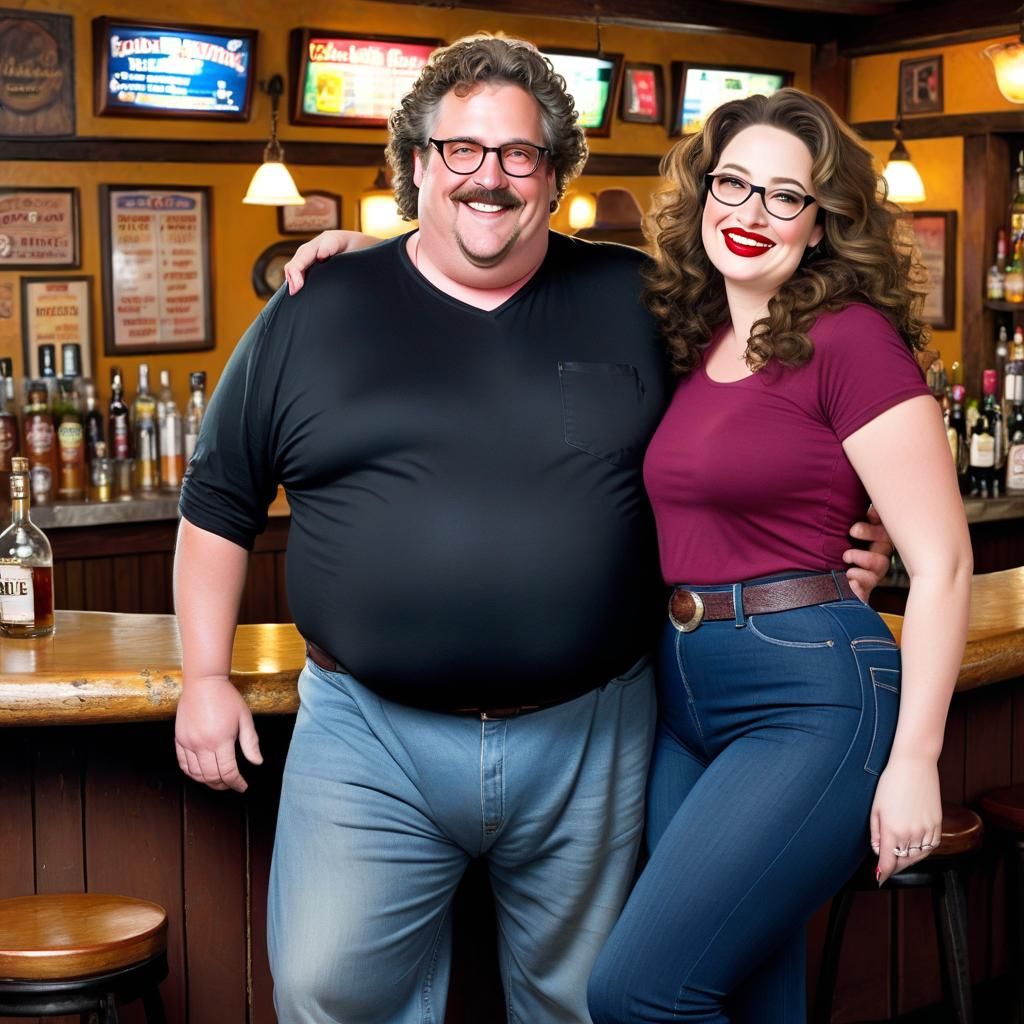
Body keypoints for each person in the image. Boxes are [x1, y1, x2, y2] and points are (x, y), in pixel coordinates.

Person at [178, 35, 892, 1024]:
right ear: (414, 165)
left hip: (592, 731)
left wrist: (860, 525)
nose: (489, 177)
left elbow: (770, 414)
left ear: (554, 175)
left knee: (583, 1003)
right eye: (459, 150)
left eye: (518, 154)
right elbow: (217, 500)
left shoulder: (642, 297)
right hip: (366, 735)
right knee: (328, 992)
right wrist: (205, 677)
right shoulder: (316, 304)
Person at [582, 90, 971, 1022]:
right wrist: (379, 256)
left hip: (811, 691)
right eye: (734, 184)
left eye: (785, 196)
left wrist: (917, 757)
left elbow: (946, 562)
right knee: (748, 989)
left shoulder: (851, 340)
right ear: (703, 194)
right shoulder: (701, 336)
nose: (751, 213)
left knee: (638, 991)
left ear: (822, 222)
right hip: (684, 692)